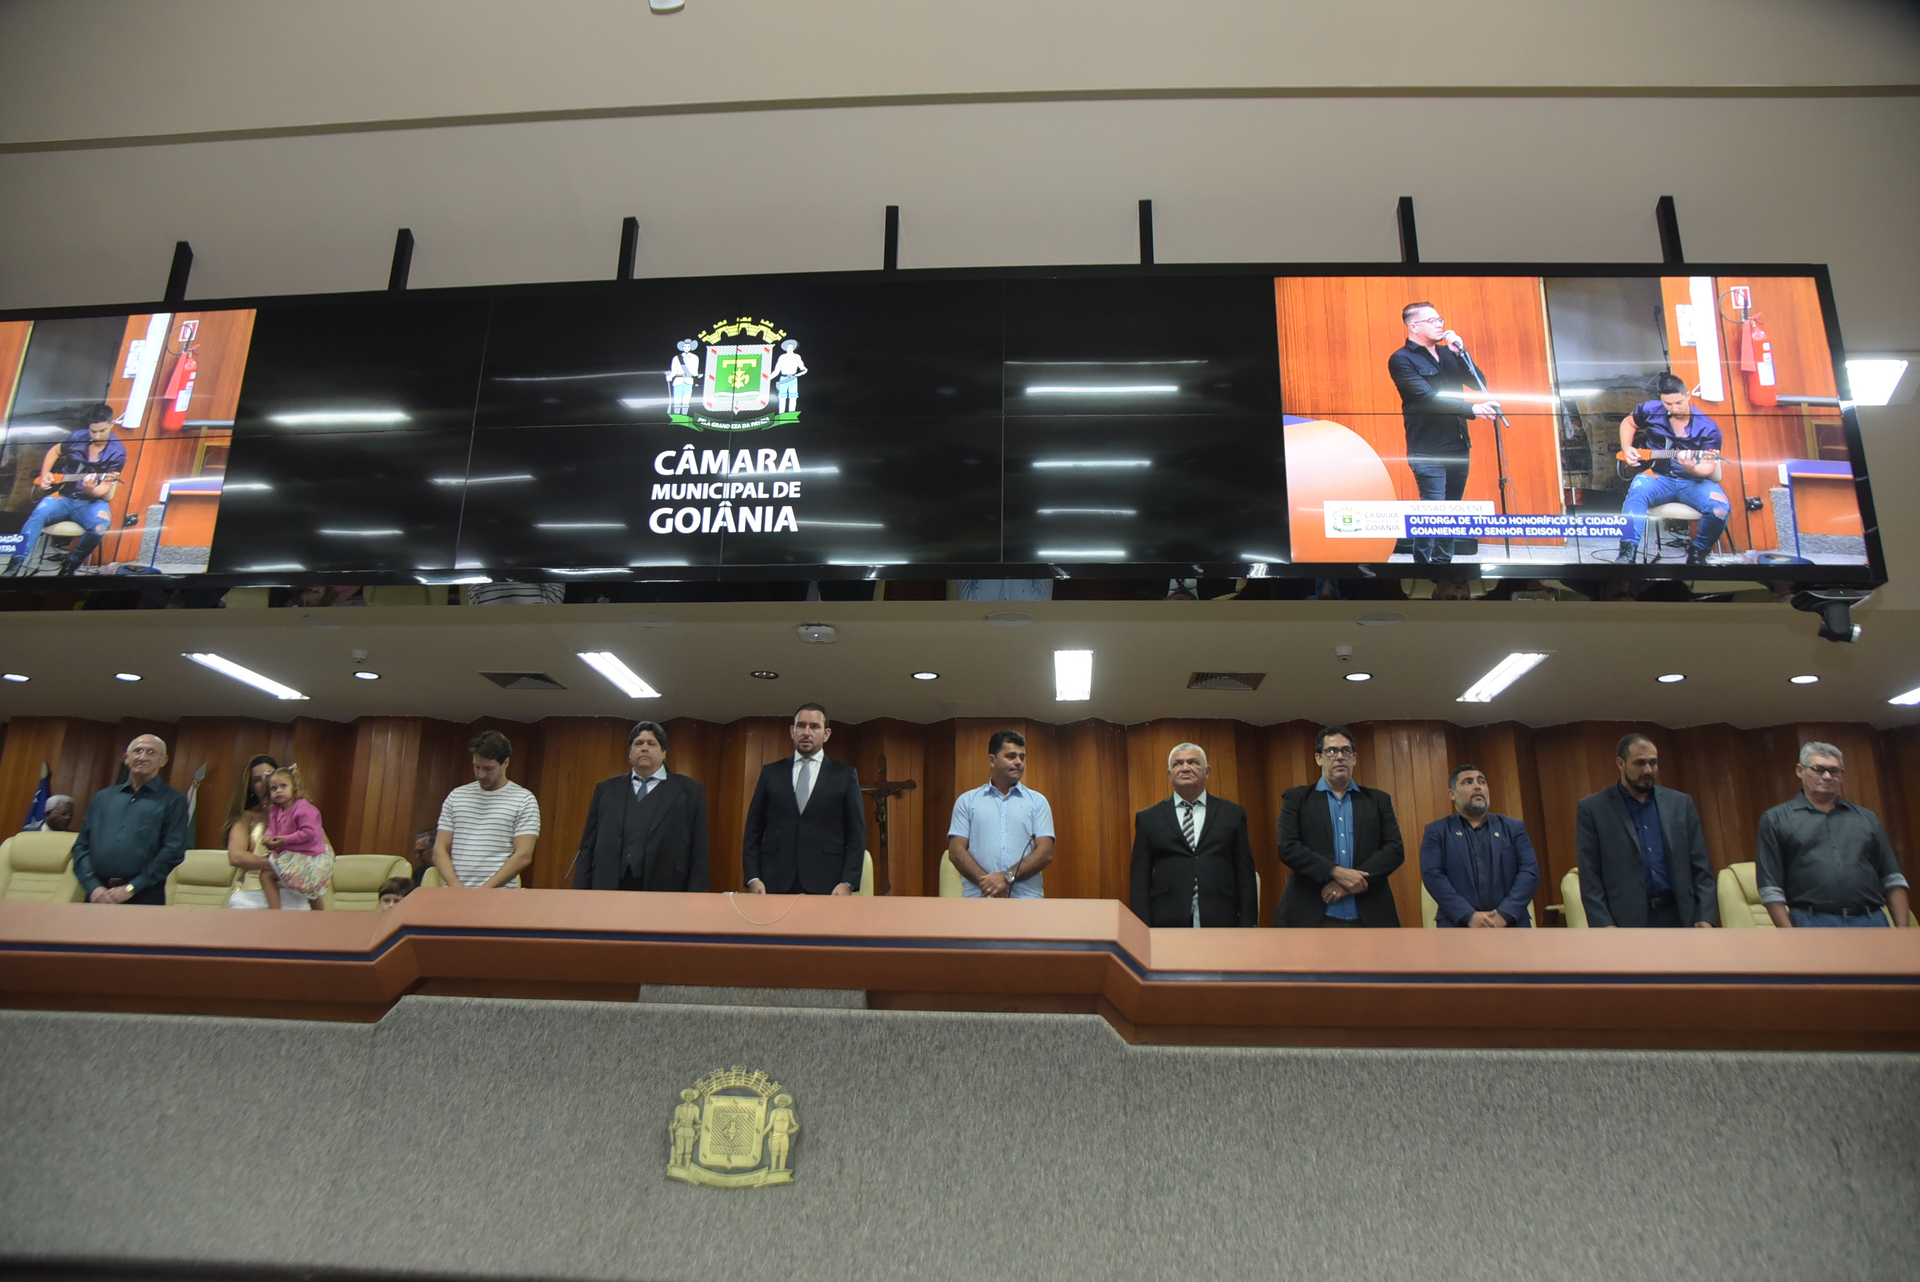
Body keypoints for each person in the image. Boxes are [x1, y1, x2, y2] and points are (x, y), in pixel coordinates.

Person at [1387, 304, 1499, 564]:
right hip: (1427, 448)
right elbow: (1427, 398)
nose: (1440, 324)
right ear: (1413, 326)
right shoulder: (1401, 359)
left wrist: (1461, 354)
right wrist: (1472, 409)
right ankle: (1423, 566)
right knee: (1433, 511)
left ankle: (1443, 564)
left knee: (1451, 512)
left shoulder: (1449, 354)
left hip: (1458, 444)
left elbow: (1478, 383)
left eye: (1440, 319)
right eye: (1432, 320)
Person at [1755, 742, 1910, 928]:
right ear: (1800, 771)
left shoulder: (1867, 818)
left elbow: (1892, 879)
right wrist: (1790, 936)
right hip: (1810, 922)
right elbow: (1770, 889)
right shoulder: (1776, 819)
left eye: (1834, 771)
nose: (1827, 776)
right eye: (1818, 769)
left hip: (1870, 920)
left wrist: (1903, 933)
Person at [1574, 732, 1717, 927]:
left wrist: (1705, 917)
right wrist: (1604, 925)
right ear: (1620, 763)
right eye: (1639, 763)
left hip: (1680, 916)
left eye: (1653, 763)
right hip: (1624, 922)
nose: (1648, 770)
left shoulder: (1680, 803)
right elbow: (1590, 876)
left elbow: (1701, 867)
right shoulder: (1594, 809)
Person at [1275, 725, 1404, 927]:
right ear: (1319, 758)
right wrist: (1334, 872)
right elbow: (1288, 847)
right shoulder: (1296, 799)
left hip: (1370, 915)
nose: (1340, 756)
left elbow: (1395, 850)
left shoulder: (1378, 801)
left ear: (1354, 758)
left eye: (1346, 751)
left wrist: (1350, 882)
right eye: (1332, 751)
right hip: (1310, 915)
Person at [573, 720, 711, 892]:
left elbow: (699, 850)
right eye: (638, 743)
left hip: (666, 888)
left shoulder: (690, 791)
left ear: (664, 753)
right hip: (609, 886)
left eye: (651, 743)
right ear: (630, 753)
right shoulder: (606, 789)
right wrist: (580, 890)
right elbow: (588, 844)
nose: (644, 748)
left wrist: (697, 897)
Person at [1128, 742, 1257, 926]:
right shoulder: (1148, 818)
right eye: (1177, 763)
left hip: (1221, 917)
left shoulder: (1233, 814)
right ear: (1169, 774)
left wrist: (1248, 924)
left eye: (1193, 762)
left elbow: (1245, 873)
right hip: (1167, 919)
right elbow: (1139, 879)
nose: (1185, 768)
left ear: (1207, 771)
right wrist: (1141, 927)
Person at [742, 703, 864, 895]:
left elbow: (856, 834)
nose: (806, 732)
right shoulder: (771, 773)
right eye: (801, 726)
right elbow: (753, 830)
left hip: (828, 883)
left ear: (826, 734)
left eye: (814, 727)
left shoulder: (844, 775)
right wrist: (752, 877)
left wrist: (848, 882)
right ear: (792, 731)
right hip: (774, 880)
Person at [1613, 371, 1731, 566]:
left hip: (1694, 481)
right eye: (1668, 404)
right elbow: (1628, 422)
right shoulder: (1650, 410)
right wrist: (1627, 448)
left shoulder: (1708, 428)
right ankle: (1627, 553)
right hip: (1658, 477)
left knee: (1719, 508)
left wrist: (1692, 468)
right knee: (1636, 492)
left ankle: (1697, 555)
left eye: (1679, 403)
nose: (1674, 408)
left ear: (1687, 396)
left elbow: (1708, 467)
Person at [4, 402, 125, 577]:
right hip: (63, 496)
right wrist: (45, 473)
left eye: (102, 431)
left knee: (100, 526)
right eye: (93, 431)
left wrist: (90, 490)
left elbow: (104, 489)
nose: (97, 436)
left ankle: (69, 567)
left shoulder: (118, 452)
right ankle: (14, 565)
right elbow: (55, 451)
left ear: (111, 425)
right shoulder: (78, 436)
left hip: (90, 502)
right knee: (37, 515)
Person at [69, 734, 189, 905]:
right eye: (137, 751)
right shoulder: (103, 797)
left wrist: (132, 887)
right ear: (127, 758)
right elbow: (81, 846)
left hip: (144, 895)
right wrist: (93, 886)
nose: (142, 757)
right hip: (97, 895)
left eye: (151, 752)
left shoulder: (174, 800)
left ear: (163, 760)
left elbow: (173, 850)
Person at [1419, 765, 1540, 927]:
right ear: (1452, 794)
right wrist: (1468, 915)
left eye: (1482, 782)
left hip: (1510, 923)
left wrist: (1504, 914)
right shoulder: (1437, 831)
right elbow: (1432, 875)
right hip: (1457, 925)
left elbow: (1529, 872)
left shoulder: (1513, 828)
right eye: (1468, 782)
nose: (1477, 786)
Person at [947, 730, 1056, 899]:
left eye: (1022, 757)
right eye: (1011, 756)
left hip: (1026, 901)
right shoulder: (967, 801)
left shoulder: (1037, 802)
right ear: (992, 760)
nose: (1018, 762)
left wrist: (1007, 877)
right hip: (979, 898)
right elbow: (956, 851)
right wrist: (990, 885)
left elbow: (1045, 852)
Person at [432, 730, 541, 889]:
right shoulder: (456, 796)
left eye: (489, 769)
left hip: (498, 895)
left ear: (505, 763)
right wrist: (456, 888)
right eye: (477, 767)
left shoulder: (524, 800)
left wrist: (484, 891)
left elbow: (523, 855)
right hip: (456, 892)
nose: (481, 774)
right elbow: (439, 850)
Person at [224, 754, 310, 910]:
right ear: (251, 787)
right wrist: (279, 864)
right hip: (251, 895)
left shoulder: (301, 812)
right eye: (257, 780)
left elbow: (325, 851)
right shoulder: (246, 817)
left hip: (293, 893)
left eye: (269, 774)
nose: (265, 781)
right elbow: (236, 856)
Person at [258, 766, 333, 911]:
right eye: (273, 788)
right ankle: (275, 910)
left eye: (283, 786)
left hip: (309, 856)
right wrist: (268, 836)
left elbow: (309, 832)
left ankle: (317, 915)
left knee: (311, 889)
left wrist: (285, 840)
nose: (278, 791)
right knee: (267, 875)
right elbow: (272, 827)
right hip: (291, 855)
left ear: (295, 787)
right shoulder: (276, 810)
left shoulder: (305, 810)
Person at [770, 338, 807, 415]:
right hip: (783, 379)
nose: (790, 349)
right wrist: (768, 378)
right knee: (782, 397)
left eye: (791, 347)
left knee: (793, 397)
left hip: (793, 379)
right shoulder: (782, 357)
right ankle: (781, 414)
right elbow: (776, 371)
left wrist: (803, 371)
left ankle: (791, 415)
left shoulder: (797, 356)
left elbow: (803, 368)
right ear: (785, 348)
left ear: (793, 348)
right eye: (788, 347)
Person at [667, 338, 700, 415]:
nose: (686, 348)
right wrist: (670, 376)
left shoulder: (695, 357)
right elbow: (674, 371)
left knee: (686, 400)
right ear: (682, 347)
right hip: (678, 380)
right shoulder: (676, 358)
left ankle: (684, 415)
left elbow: (695, 371)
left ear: (691, 347)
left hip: (689, 380)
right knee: (677, 399)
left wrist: (698, 375)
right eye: (685, 347)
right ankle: (676, 415)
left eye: (688, 347)